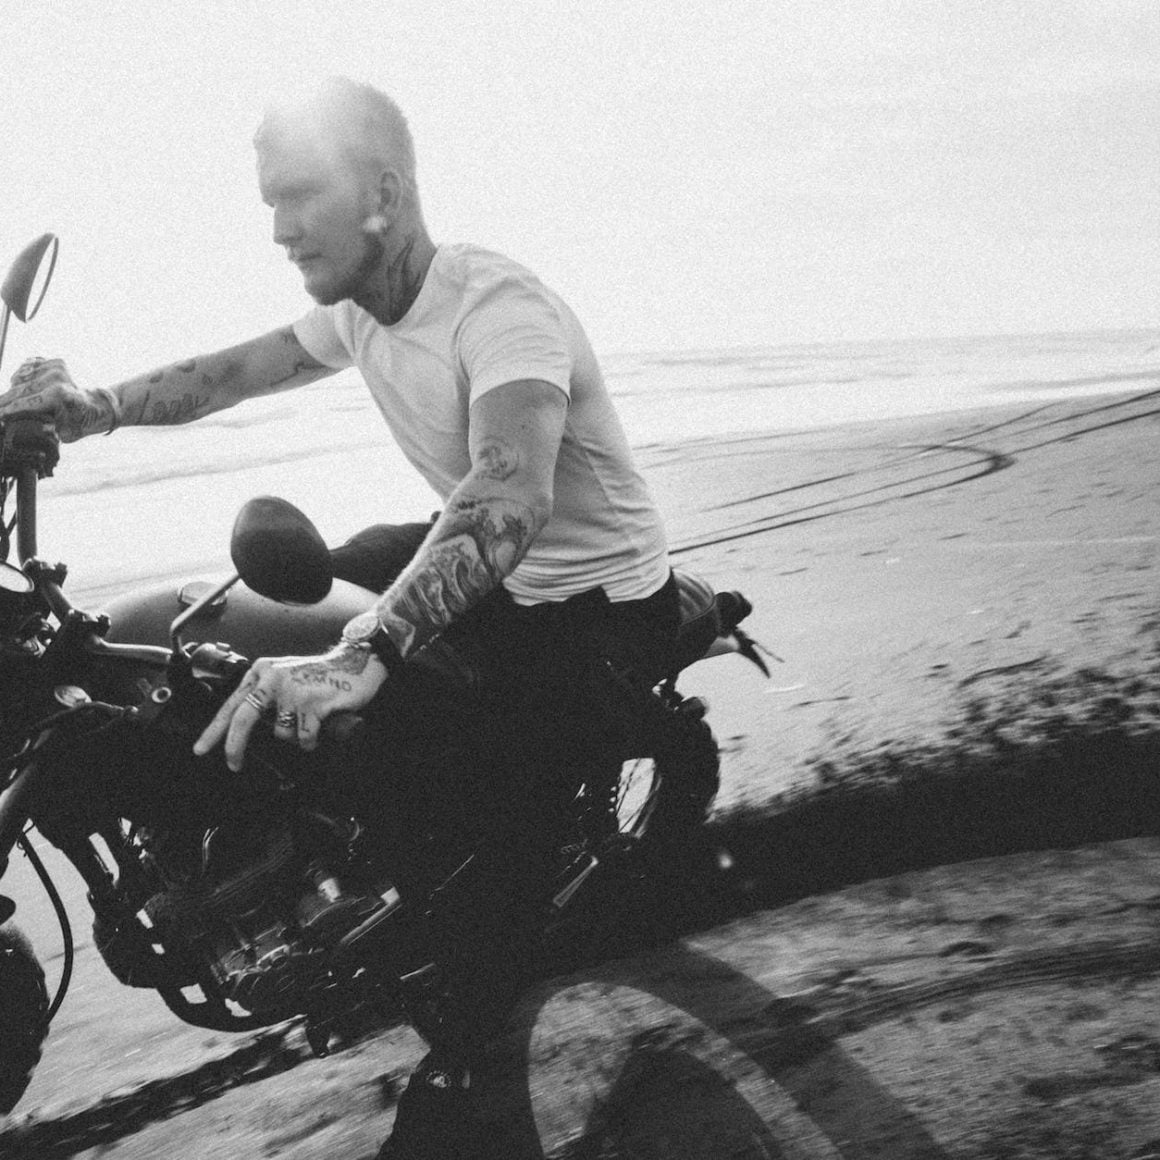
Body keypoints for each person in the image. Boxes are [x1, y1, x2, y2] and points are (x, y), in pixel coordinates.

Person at [0, 78, 678, 1158]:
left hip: (580, 605)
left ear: (383, 194)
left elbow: (508, 493)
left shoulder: (502, 309)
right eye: (269, 201)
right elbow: (228, 373)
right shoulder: (360, 308)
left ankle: (464, 1043)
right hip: (472, 551)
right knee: (228, 631)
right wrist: (96, 412)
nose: (276, 227)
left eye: (299, 196)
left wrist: (364, 651)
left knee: (464, 793)